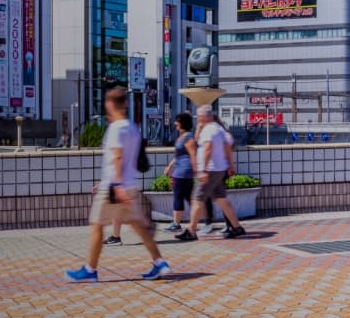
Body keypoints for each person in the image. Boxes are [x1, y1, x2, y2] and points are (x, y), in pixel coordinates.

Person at [65, 87, 170, 282]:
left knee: (96, 225)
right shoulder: (132, 128)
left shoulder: (115, 129)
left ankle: (90, 270)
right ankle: (160, 263)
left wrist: (116, 184)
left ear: (110, 104)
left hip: (114, 187)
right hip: (129, 185)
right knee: (139, 227)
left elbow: (117, 157)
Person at [178, 104, 245, 242]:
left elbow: (207, 149)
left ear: (203, 116)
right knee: (221, 199)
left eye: (199, 116)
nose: (197, 118)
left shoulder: (209, 130)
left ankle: (191, 231)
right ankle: (237, 227)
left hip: (210, 170)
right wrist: (231, 166)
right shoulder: (219, 129)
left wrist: (203, 170)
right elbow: (227, 148)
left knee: (196, 199)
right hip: (220, 169)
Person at [162, 112, 196, 234]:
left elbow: (192, 154)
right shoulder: (182, 136)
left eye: (177, 120)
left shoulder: (188, 137)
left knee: (179, 197)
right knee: (187, 198)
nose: (175, 122)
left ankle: (177, 224)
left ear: (182, 122)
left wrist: (195, 169)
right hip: (180, 171)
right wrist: (169, 166)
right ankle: (197, 220)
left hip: (183, 172)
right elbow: (178, 155)